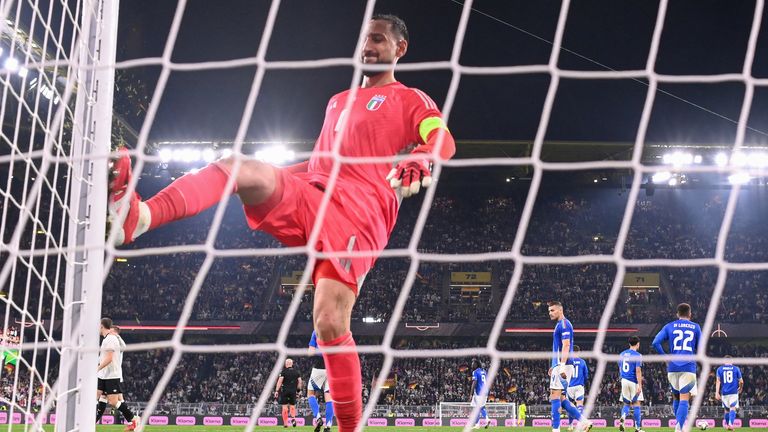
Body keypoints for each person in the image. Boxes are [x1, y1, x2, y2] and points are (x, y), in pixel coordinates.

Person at [108, 13, 455, 432]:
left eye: (378, 40)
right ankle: (138, 219)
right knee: (235, 165)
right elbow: (321, 161)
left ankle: (349, 427)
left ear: (400, 49)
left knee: (328, 321)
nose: (368, 47)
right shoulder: (337, 101)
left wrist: (422, 155)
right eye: (364, 39)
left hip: (359, 215)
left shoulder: (411, 99)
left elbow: (441, 138)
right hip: (314, 193)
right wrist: (264, 173)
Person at [652, 303, 702, 432]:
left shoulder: (669, 326)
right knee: (684, 398)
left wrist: (665, 357)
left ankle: (678, 425)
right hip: (688, 366)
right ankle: (680, 428)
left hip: (673, 367)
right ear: (690, 314)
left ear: (677, 314)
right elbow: (701, 348)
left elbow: (655, 342)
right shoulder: (695, 327)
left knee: (676, 397)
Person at [547, 301, 591, 432]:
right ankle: (584, 421)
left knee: (554, 395)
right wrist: (554, 365)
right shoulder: (561, 324)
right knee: (561, 398)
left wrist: (560, 366)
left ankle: (556, 429)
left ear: (560, 310)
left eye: (553, 310)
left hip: (564, 365)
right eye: (549, 311)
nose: (550, 313)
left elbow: (566, 345)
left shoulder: (564, 324)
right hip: (561, 364)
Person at [96, 318, 140, 431]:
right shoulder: (107, 339)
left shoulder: (111, 339)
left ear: (102, 326)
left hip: (111, 375)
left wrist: (97, 368)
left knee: (114, 401)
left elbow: (110, 358)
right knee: (96, 397)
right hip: (103, 375)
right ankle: (89, 423)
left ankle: (133, 419)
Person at [307, 331, 334, 432]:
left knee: (311, 393)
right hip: (333, 366)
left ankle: (318, 418)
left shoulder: (316, 331)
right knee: (329, 397)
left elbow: (311, 352)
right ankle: (328, 425)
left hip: (320, 365)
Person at [618, 336, 644, 432]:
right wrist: (640, 385)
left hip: (624, 380)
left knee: (626, 404)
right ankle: (637, 428)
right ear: (638, 344)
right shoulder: (638, 355)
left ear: (629, 344)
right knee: (637, 404)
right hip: (633, 381)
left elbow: (620, 369)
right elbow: (638, 371)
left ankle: (623, 417)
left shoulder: (622, 354)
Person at [715, 356, 743, 431]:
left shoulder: (719, 369)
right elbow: (741, 381)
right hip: (733, 392)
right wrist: (741, 387)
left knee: (726, 410)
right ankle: (730, 424)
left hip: (724, 393)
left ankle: (728, 426)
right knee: (732, 408)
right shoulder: (736, 368)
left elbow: (718, 381)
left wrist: (717, 392)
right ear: (731, 361)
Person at [274, 358, 302, 428]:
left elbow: (280, 381)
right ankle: (293, 418)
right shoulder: (296, 372)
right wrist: (298, 391)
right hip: (293, 391)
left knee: (285, 408)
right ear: (292, 364)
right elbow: (300, 382)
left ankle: (286, 424)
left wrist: (277, 391)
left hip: (285, 391)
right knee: (292, 406)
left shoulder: (283, 372)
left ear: (286, 364)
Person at [566, 346, 588, 431]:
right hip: (579, 386)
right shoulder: (582, 362)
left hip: (569, 387)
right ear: (579, 352)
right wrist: (583, 381)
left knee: (571, 407)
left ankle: (570, 425)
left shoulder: (568, 361)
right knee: (579, 405)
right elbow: (586, 375)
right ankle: (581, 424)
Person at [469, 359, 490, 429]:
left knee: (478, 408)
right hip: (485, 392)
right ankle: (477, 423)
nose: (471, 365)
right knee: (478, 407)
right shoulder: (484, 371)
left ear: (476, 364)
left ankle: (486, 420)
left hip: (479, 392)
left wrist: (470, 394)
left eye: (473, 363)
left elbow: (474, 383)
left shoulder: (475, 372)